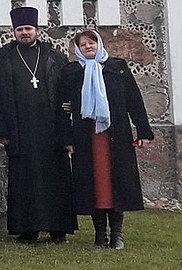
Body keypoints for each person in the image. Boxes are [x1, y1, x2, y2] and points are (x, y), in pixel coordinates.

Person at [0, 6, 76, 244]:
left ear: (37, 30)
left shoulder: (53, 56)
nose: (25, 33)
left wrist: (68, 126)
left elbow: (67, 91)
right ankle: (28, 229)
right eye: (20, 29)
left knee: (55, 179)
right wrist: (1, 132)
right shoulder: (3, 59)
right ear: (13, 31)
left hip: (51, 130)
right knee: (24, 181)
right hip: (20, 130)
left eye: (28, 29)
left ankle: (59, 229)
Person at [59, 30, 154, 250]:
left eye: (91, 42)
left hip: (116, 135)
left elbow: (134, 100)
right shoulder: (72, 73)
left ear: (99, 44)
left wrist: (143, 131)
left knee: (116, 183)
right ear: (78, 49)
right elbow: (62, 107)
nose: (88, 47)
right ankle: (100, 234)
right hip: (86, 137)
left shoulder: (117, 68)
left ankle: (117, 234)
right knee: (94, 185)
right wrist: (66, 138)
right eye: (82, 45)